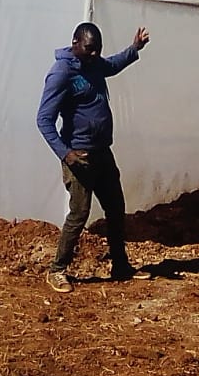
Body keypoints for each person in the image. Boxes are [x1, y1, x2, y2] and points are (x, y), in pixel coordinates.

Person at [36, 21, 152, 293]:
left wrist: (134, 48)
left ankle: (120, 265)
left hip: (103, 153)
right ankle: (57, 270)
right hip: (80, 157)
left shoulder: (95, 63)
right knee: (79, 214)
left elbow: (111, 65)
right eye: (89, 49)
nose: (94, 54)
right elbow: (43, 120)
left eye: (97, 50)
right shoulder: (61, 73)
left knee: (115, 207)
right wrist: (66, 154)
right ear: (75, 42)